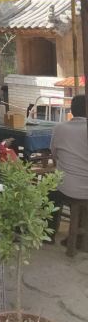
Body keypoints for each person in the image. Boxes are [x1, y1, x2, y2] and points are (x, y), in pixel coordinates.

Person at [49, 94, 88, 243]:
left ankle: (48, 234)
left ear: (71, 110)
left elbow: (54, 154)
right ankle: (78, 235)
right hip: (84, 188)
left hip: (66, 187)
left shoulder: (59, 128)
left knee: (52, 191)